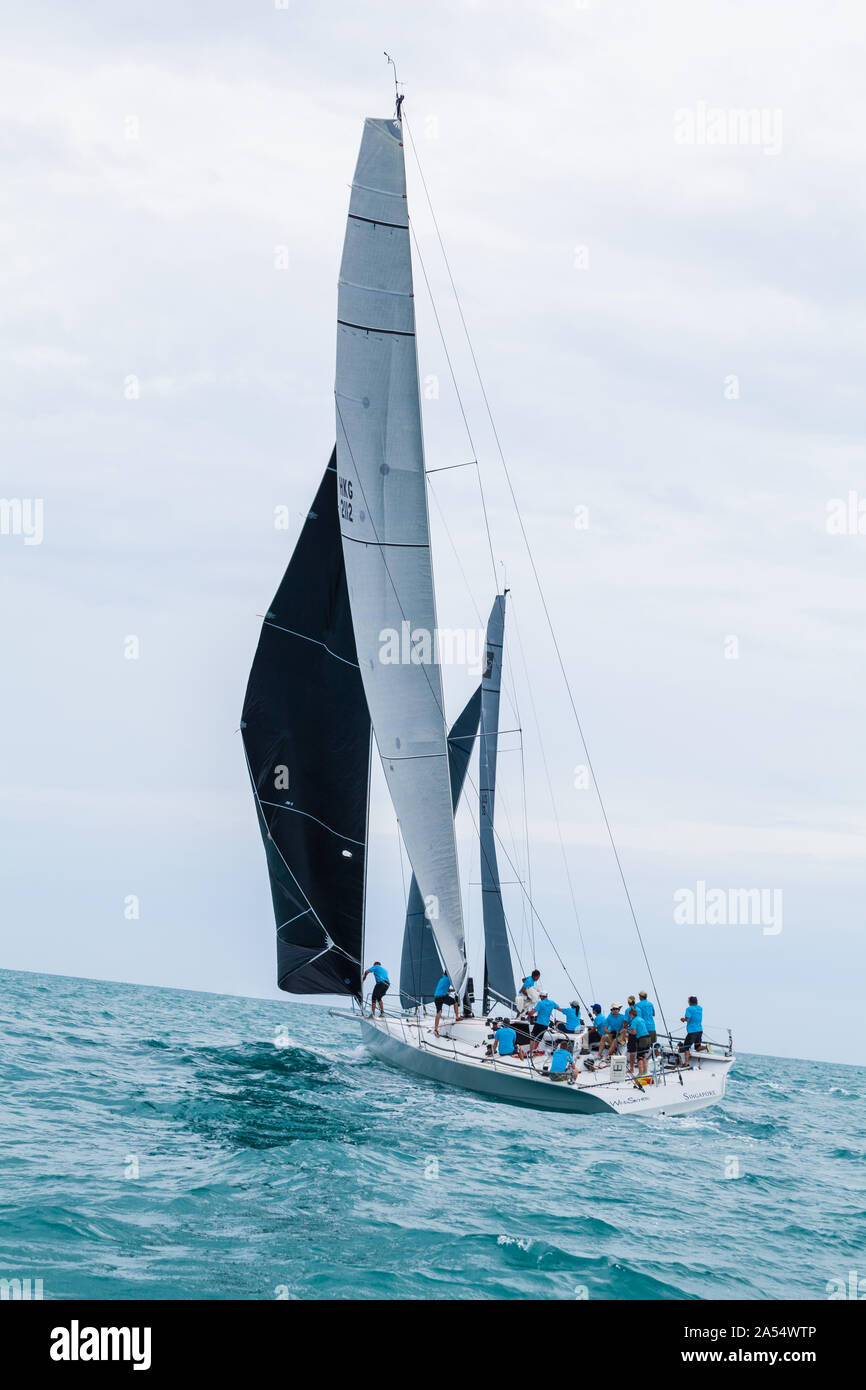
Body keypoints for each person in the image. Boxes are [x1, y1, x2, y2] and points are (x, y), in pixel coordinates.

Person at [626, 1005, 651, 1076]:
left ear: (631, 1014)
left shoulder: (634, 1021)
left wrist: (627, 1031)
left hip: (642, 1039)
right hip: (648, 1038)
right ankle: (645, 1071)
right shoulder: (641, 1019)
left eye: (630, 1015)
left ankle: (640, 1073)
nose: (630, 1016)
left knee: (639, 1057)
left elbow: (634, 1032)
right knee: (643, 1055)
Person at [681, 995, 703, 1065]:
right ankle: (706, 1047)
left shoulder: (689, 1009)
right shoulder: (700, 1008)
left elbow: (688, 1019)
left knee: (686, 1047)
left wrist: (683, 1019)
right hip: (699, 1030)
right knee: (697, 1047)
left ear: (690, 1002)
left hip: (692, 1031)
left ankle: (686, 1063)